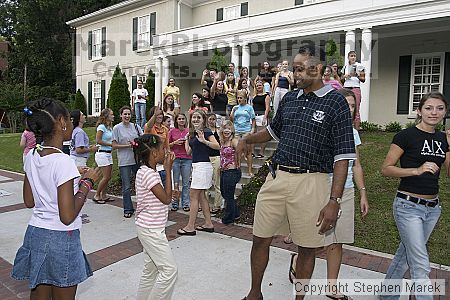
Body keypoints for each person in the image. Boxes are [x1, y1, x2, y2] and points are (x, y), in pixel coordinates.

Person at [237, 45, 356, 300]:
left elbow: (343, 155)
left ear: (320, 69)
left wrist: (334, 201)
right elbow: (272, 132)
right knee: (260, 238)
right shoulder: (290, 98)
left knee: (307, 248)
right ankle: (254, 293)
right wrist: (248, 139)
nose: (295, 74)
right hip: (277, 177)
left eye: (301, 69)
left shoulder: (336, 102)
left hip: (312, 182)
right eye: (295, 68)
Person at [12, 98, 100, 299]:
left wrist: (71, 176)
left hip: (36, 233)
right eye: (69, 119)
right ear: (61, 122)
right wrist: (87, 183)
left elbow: (29, 201)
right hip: (61, 238)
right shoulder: (63, 161)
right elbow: (67, 215)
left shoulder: (32, 155)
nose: (70, 123)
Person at [288, 88, 369, 299]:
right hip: (321, 188)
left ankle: (332, 287)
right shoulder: (319, 128)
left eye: (352, 106)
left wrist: (363, 193)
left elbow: (356, 165)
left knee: (337, 240)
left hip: (347, 190)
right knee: (315, 239)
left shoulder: (353, 133)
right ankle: (299, 260)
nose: (348, 109)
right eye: (345, 104)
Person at [380, 92, 449, 300]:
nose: (434, 112)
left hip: (432, 209)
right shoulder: (405, 136)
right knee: (420, 264)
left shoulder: (442, 139)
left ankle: (386, 296)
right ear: (419, 111)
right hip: (408, 206)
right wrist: (416, 170)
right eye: (428, 108)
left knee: (405, 256)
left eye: (439, 108)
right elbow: (386, 169)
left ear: (445, 112)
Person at [133, 134, 177, 300]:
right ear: (153, 153)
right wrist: (168, 169)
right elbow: (166, 199)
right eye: (162, 148)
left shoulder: (144, 171)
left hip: (147, 227)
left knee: (150, 270)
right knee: (169, 271)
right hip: (151, 230)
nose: (165, 152)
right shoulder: (150, 174)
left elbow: (160, 197)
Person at [177, 109, 220, 236]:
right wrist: (186, 139)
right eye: (193, 117)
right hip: (197, 166)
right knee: (201, 196)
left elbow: (217, 146)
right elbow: (188, 152)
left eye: (198, 117)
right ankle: (208, 224)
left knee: (193, 196)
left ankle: (190, 227)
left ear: (203, 119)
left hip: (203, 166)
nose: (195, 119)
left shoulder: (206, 131)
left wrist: (204, 141)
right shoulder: (193, 133)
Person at [112, 106, 143, 218]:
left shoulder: (136, 126)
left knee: (140, 184)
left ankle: (142, 207)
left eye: (129, 114)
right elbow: (114, 145)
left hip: (136, 159)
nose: (127, 116)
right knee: (126, 186)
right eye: (125, 114)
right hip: (124, 161)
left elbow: (142, 139)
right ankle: (128, 208)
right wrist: (128, 145)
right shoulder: (117, 128)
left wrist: (137, 144)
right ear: (121, 115)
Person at [219, 120, 241, 224]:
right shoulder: (223, 141)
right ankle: (236, 213)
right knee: (225, 193)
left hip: (232, 172)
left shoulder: (234, 141)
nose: (226, 130)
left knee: (228, 195)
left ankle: (228, 218)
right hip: (224, 171)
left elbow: (240, 150)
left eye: (228, 128)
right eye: (224, 128)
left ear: (232, 130)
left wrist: (236, 162)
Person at [169, 113, 192, 212]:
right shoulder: (172, 131)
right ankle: (175, 203)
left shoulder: (188, 131)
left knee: (186, 183)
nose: (181, 120)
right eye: (179, 119)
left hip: (187, 158)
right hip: (176, 159)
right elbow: (167, 145)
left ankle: (185, 203)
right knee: (176, 182)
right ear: (176, 121)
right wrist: (175, 142)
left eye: (183, 119)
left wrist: (187, 141)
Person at [231, 90, 256, 176]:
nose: (239, 99)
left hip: (246, 130)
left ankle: (249, 170)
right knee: (238, 151)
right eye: (238, 98)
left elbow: (253, 119)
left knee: (248, 151)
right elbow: (232, 119)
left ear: (245, 98)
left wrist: (252, 129)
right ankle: (238, 170)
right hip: (237, 130)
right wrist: (233, 110)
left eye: (240, 98)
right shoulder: (236, 107)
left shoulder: (249, 107)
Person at [144, 106, 170, 184]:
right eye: (157, 114)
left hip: (162, 160)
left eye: (161, 114)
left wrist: (168, 155)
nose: (160, 116)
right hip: (151, 160)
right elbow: (148, 126)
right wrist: (155, 115)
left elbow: (167, 145)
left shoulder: (165, 129)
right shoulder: (149, 127)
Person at [341, 51, 365, 130]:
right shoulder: (345, 67)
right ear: (348, 57)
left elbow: (363, 79)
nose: (353, 57)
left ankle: (356, 132)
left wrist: (357, 75)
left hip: (355, 88)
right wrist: (345, 76)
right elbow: (340, 79)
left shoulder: (359, 66)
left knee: (356, 109)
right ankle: (346, 129)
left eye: (354, 56)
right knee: (344, 108)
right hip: (346, 88)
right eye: (351, 56)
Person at [94, 108, 114, 204]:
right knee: (105, 176)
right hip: (102, 153)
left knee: (108, 176)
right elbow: (98, 140)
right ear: (106, 116)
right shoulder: (101, 127)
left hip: (108, 154)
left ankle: (104, 195)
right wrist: (110, 145)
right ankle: (97, 195)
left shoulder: (110, 127)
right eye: (111, 114)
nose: (113, 116)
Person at [206, 112, 222, 214]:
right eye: (210, 119)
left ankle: (217, 205)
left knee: (217, 183)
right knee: (206, 184)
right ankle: (205, 205)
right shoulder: (205, 131)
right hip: (206, 157)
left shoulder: (218, 131)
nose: (211, 121)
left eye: (213, 119)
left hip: (216, 157)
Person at [251, 80, 271, 159]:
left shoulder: (266, 96)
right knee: (252, 134)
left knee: (263, 135)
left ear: (263, 86)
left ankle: (261, 152)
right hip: (254, 116)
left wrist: (265, 117)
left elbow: (267, 108)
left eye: (260, 85)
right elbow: (252, 107)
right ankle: (252, 152)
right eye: (257, 86)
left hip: (262, 116)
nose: (258, 87)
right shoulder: (254, 96)